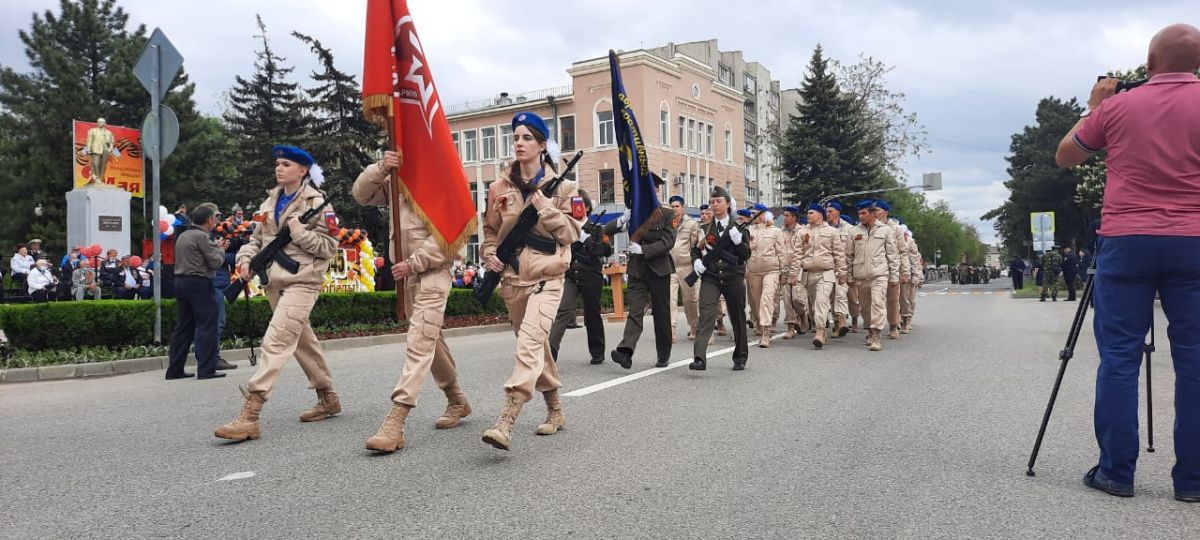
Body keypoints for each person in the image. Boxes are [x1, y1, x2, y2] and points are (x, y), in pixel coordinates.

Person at [1054, 23, 1200, 502]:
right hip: (1194, 239)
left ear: (1150, 63)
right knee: (1195, 360)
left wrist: (1094, 107)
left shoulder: (1119, 106)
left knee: (1119, 356)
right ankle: (1193, 480)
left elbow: (1066, 156)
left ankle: (1116, 472)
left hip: (1127, 237)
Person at [214, 145, 341, 441]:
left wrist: (299, 233)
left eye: (286, 164)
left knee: (276, 341)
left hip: (303, 281)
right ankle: (328, 397)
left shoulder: (317, 203)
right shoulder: (269, 201)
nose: (279, 168)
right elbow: (255, 240)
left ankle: (251, 413)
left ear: (303, 170)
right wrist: (246, 260)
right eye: (278, 164)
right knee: (302, 341)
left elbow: (329, 248)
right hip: (274, 281)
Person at [354, 149, 473, 453]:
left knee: (419, 340)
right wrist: (382, 167)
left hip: (433, 271)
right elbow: (361, 194)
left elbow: (452, 235)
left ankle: (397, 419)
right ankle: (456, 399)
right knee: (431, 340)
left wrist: (415, 262)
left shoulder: (446, 182)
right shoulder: (399, 179)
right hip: (406, 276)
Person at [479, 112, 581, 450]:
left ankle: (506, 419)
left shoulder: (564, 187)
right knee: (535, 345)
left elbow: (571, 234)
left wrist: (548, 209)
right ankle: (555, 410)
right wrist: (490, 253)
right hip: (512, 280)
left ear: (541, 145)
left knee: (528, 345)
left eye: (527, 138)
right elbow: (490, 230)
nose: (519, 143)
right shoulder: (499, 188)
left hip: (548, 277)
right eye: (516, 138)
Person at [609, 187, 676, 369]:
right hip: (637, 270)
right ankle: (625, 352)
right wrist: (623, 219)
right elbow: (607, 231)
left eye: (651, 187)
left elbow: (668, 241)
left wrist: (644, 249)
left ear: (657, 190)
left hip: (659, 270)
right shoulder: (635, 213)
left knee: (661, 314)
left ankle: (663, 354)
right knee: (635, 312)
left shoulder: (667, 214)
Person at [689, 186, 751, 371]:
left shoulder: (739, 228)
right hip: (711, 278)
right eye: (712, 202)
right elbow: (695, 250)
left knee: (738, 318)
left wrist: (738, 241)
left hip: (733, 278)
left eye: (718, 201)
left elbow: (745, 255)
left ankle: (740, 356)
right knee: (706, 315)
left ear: (728, 204)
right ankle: (699, 358)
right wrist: (696, 261)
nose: (714, 205)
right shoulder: (705, 229)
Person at [165, 204, 228, 381]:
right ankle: (206, 369)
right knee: (207, 325)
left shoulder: (183, 235)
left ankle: (175, 370)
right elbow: (215, 262)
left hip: (181, 281)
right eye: (214, 218)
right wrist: (221, 249)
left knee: (183, 327)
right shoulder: (202, 236)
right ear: (209, 220)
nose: (215, 221)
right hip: (199, 283)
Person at [548, 189, 612, 365]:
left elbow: (606, 250)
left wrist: (586, 239)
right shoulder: (567, 227)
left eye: (580, 204)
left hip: (591, 275)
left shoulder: (597, 228)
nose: (575, 208)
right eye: (573, 204)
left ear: (587, 207)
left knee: (592, 315)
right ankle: (551, 350)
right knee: (563, 310)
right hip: (571, 275)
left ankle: (597, 351)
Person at [847, 200, 898, 352]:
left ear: (873, 213)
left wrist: (894, 276)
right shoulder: (854, 231)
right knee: (865, 307)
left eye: (864, 213)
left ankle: (876, 334)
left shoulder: (886, 230)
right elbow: (848, 256)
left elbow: (892, 255)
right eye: (859, 213)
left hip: (879, 273)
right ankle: (870, 328)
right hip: (861, 275)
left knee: (878, 303)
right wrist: (849, 276)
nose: (860, 216)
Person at [799, 203, 848, 349]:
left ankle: (820, 332)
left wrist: (842, 273)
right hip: (809, 273)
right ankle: (819, 326)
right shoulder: (802, 232)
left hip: (826, 273)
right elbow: (797, 254)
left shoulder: (832, 232)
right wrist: (793, 273)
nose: (808, 215)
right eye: (808, 213)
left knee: (821, 301)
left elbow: (839, 254)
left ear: (820, 215)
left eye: (811, 212)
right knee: (815, 305)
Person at [745, 203, 782, 348]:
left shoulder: (775, 231)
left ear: (764, 215)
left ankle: (766, 331)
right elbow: (744, 251)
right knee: (756, 301)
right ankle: (760, 324)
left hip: (771, 270)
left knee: (767, 299)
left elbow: (781, 252)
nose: (753, 216)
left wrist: (785, 272)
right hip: (754, 270)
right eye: (752, 213)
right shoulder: (748, 230)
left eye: (756, 213)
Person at [873, 200, 910, 339]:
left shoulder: (896, 229)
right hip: (875, 268)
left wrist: (904, 272)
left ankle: (894, 326)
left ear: (885, 212)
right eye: (873, 210)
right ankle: (873, 329)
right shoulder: (871, 226)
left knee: (893, 300)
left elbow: (903, 251)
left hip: (891, 268)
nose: (875, 213)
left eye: (877, 210)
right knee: (875, 300)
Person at [667, 195, 702, 341]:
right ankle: (671, 330)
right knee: (670, 299)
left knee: (690, 301)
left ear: (683, 208)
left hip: (687, 267)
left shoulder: (691, 224)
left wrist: (696, 262)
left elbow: (695, 246)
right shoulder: (666, 223)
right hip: (670, 267)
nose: (674, 209)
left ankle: (694, 326)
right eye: (672, 207)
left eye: (677, 206)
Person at [826, 201, 855, 336]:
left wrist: (852, 269)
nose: (828, 214)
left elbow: (853, 250)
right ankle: (837, 324)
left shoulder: (849, 229)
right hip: (828, 267)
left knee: (840, 294)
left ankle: (842, 320)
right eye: (827, 211)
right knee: (832, 297)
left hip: (843, 267)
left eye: (830, 211)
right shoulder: (824, 228)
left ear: (838, 212)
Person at [778, 206, 807, 339]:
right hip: (785, 268)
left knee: (797, 298)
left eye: (787, 215)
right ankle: (790, 327)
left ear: (794, 217)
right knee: (787, 299)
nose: (784, 218)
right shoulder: (780, 232)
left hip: (799, 269)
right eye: (784, 215)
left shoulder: (803, 231)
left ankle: (802, 315)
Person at [900, 227, 923, 333]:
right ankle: (898, 320)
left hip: (908, 276)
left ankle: (907, 320)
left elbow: (917, 264)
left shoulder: (911, 245)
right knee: (896, 300)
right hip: (896, 274)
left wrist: (917, 278)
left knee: (909, 299)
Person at [83, 118, 116, 184]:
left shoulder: (109, 132)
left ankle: (101, 178)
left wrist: (110, 149)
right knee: (95, 163)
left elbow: (112, 142)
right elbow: (89, 141)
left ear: (105, 123)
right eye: (99, 122)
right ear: (97, 123)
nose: (100, 123)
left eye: (102, 122)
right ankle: (96, 177)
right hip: (95, 149)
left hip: (105, 150)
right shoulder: (92, 131)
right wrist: (88, 149)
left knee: (103, 165)